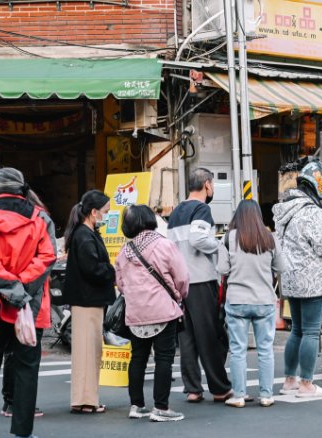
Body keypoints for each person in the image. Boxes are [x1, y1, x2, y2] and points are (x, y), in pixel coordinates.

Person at [0, 167, 56, 438]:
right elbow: (47, 257)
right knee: (27, 369)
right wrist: (22, 289)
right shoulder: (40, 217)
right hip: (30, 307)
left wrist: (10, 288)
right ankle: (22, 432)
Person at [115, 205, 189, 422]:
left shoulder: (124, 252)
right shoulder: (164, 245)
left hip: (135, 313)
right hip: (163, 311)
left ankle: (136, 405)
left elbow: (120, 284)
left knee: (137, 358)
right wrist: (179, 295)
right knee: (164, 358)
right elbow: (182, 277)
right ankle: (161, 408)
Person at [167, 168, 232, 403]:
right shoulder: (201, 209)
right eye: (212, 184)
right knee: (211, 335)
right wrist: (220, 247)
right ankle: (219, 387)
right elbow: (198, 238)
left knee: (188, 337)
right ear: (207, 185)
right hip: (201, 281)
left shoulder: (175, 213)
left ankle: (193, 388)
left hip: (179, 283)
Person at [273, 160, 322, 398]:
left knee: (297, 331)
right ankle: (307, 384)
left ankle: (289, 380)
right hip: (312, 280)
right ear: (318, 185)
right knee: (311, 332)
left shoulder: (285, 209)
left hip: (291, 279)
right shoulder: (312, 211)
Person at [217, 200, 286, 408]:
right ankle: (266, 395)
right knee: (265, 349)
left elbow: (221, 269)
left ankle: (238, 395)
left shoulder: (229, 238)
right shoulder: (270, 238)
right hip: (264, 301)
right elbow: (282, 267)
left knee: (238, 349)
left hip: (237, 301)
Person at [63, 190, 115, 414]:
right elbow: (93, 268)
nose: (106, 216)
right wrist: (112, 271)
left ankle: (86, 399)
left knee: (88, 351)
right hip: (88, 300)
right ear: (93, 212)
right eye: (105, 212)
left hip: (87, 300)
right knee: (88, 351)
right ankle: (86, 401)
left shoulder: (83, 233)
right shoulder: (84, 236)